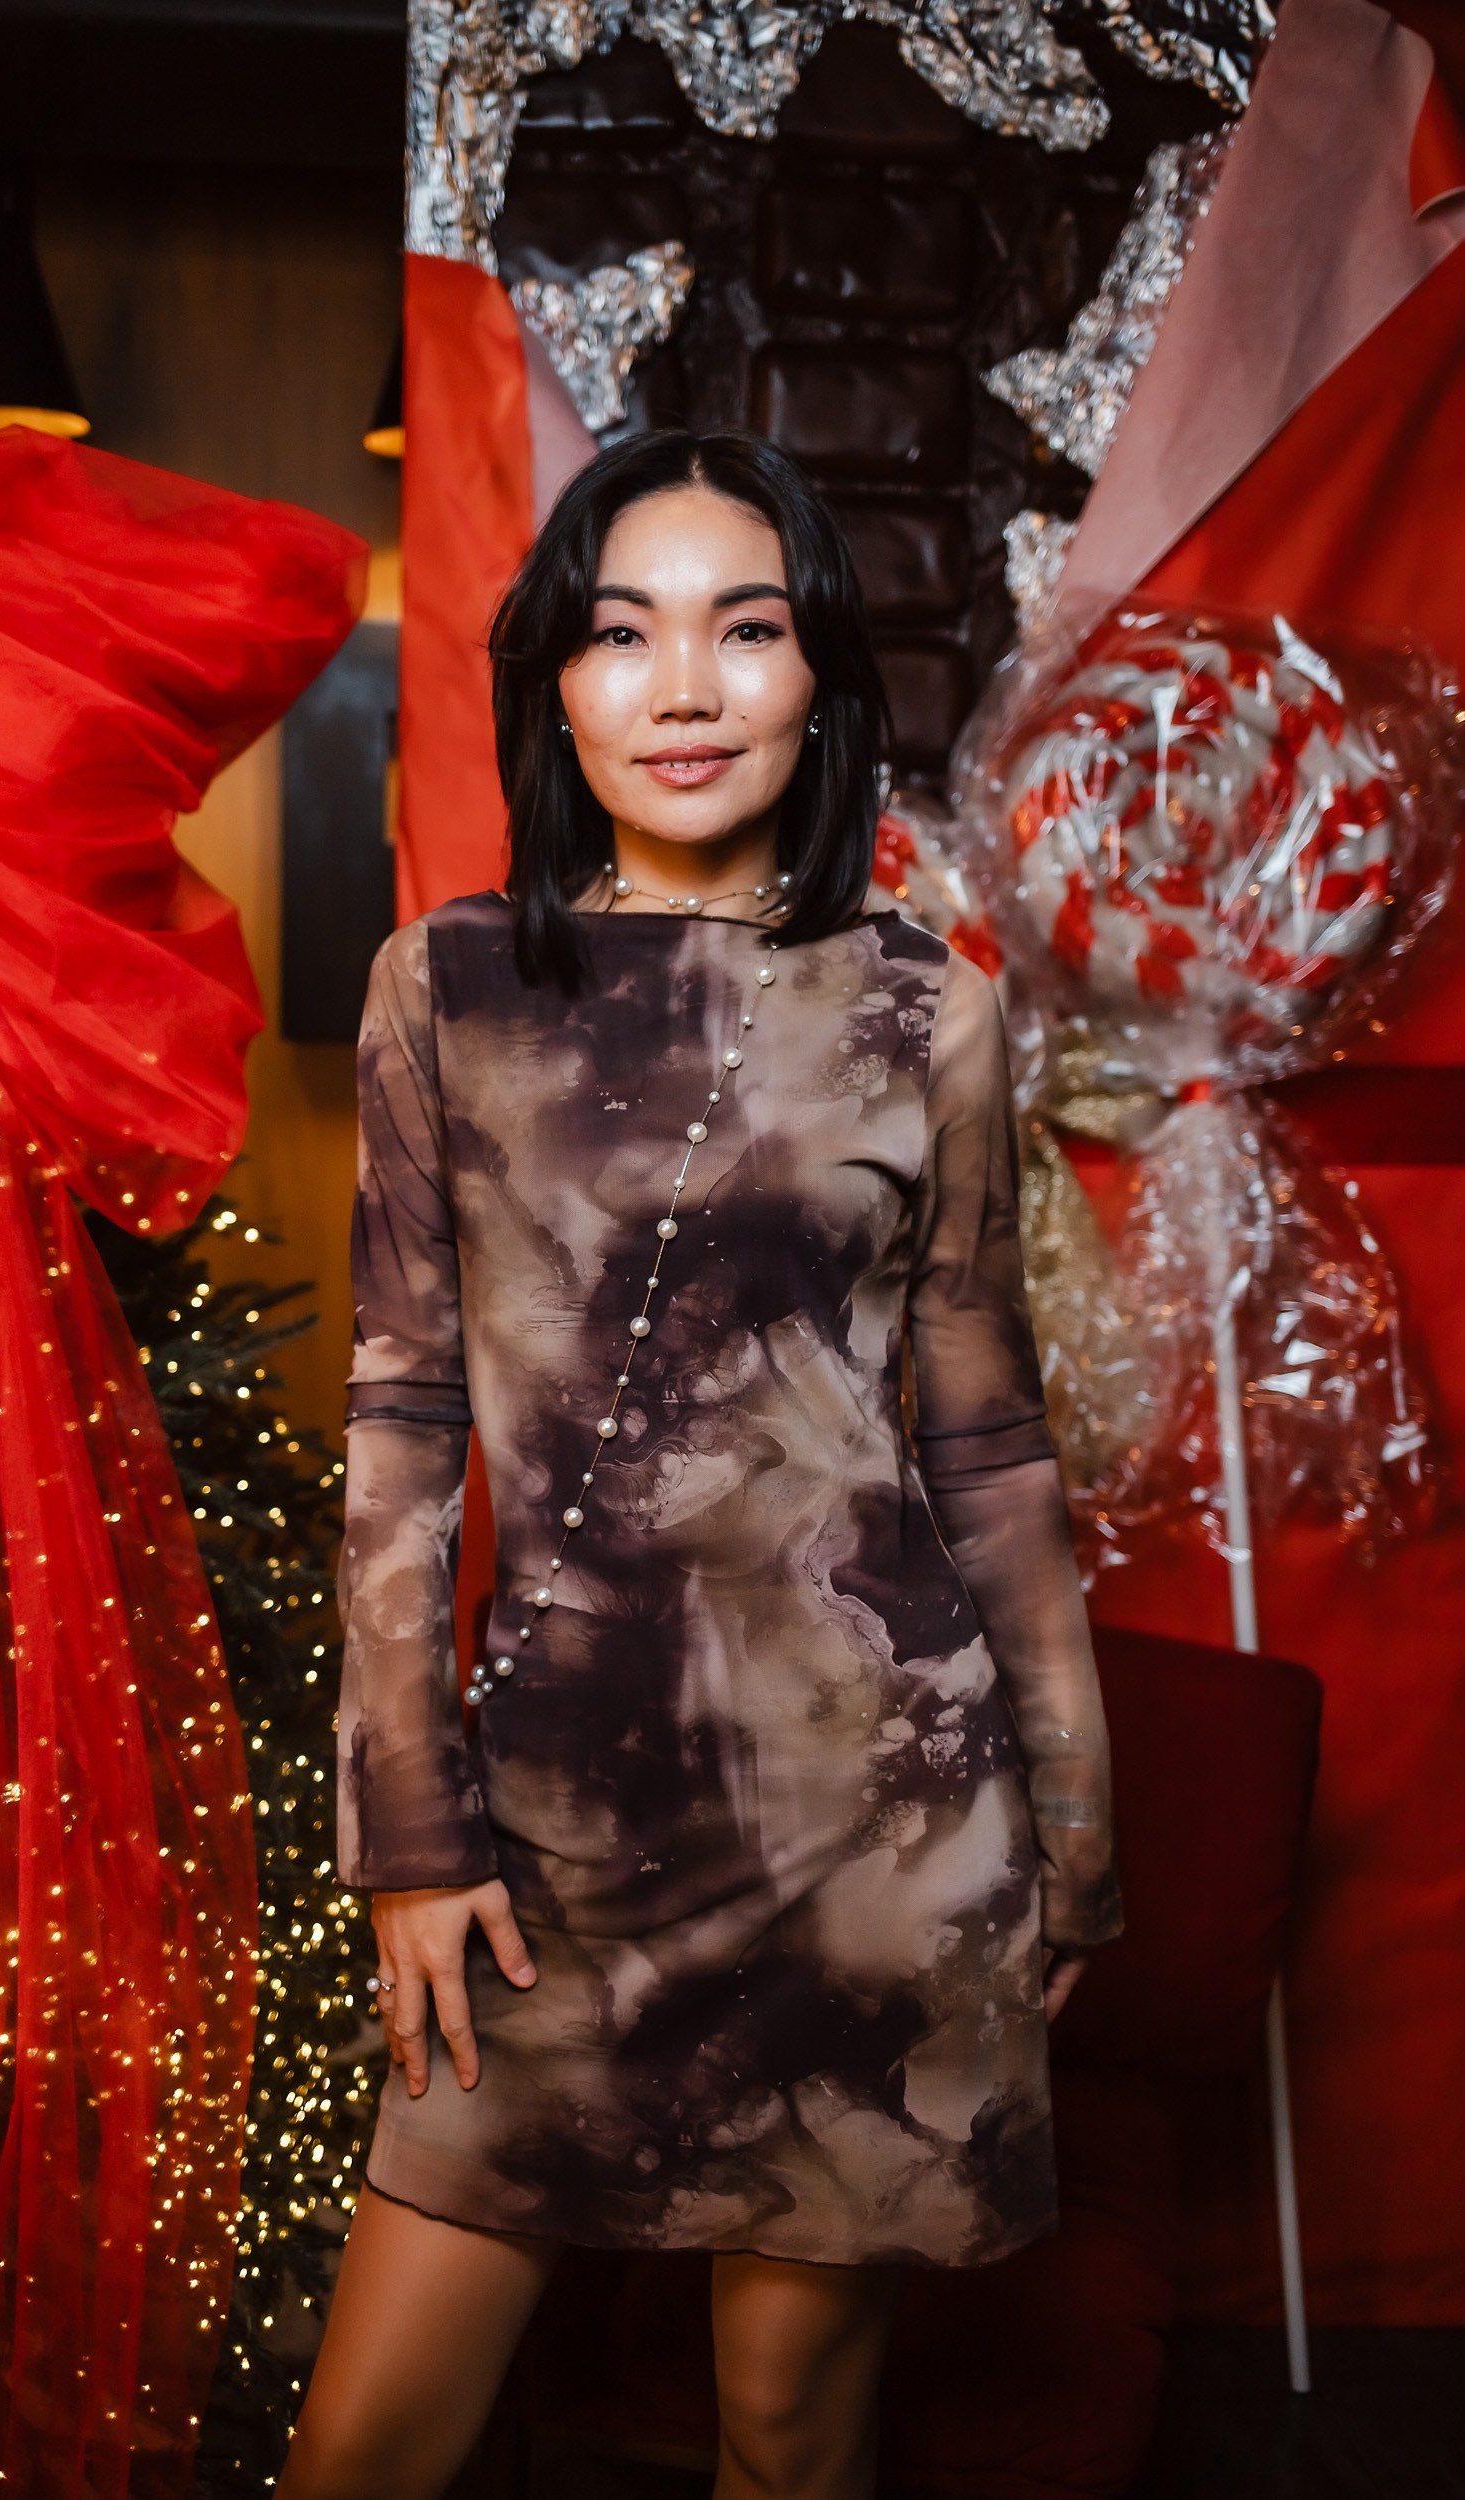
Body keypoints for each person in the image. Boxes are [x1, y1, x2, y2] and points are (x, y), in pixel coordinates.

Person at [279, 431, 1120, 2500]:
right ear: (555, 685)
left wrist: (1074, 1821)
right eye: (619, 631)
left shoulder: (930, 1011)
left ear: (816, 674)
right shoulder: (447, 986)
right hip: (548, 1826)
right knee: (365, 2449)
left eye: (743, 630)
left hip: (876, 1828)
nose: (682, 685)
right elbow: (400, 1417)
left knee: (787, 2441)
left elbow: (988, 1446)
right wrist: (410, 1828)